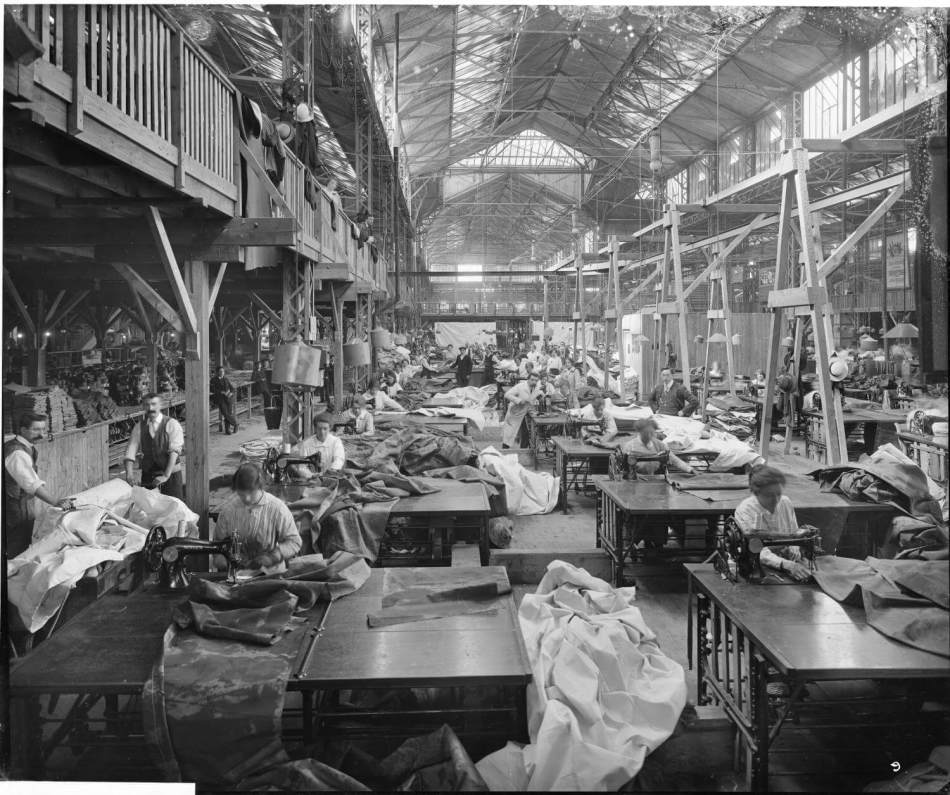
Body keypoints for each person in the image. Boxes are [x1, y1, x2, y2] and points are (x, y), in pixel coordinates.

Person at [3, 412, 72, 557]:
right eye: (36, 430)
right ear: (22, 430)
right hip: (14, 507)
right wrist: (56, 502)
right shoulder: (17, 453)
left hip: (20, 504)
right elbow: (32, 484)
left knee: (20, 542)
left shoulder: (25, 447)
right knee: (17, 546)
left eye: (43, 429)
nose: (41, 434)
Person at [213, 463, 301, 575]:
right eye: (241, 495)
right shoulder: (228, 511)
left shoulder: (277, 509)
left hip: (270, 575)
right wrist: (219, 558)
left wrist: (274, 556)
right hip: (238, 573)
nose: (247, 499)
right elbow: (218, 544)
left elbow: (294, 542)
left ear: (260, 486)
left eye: (251, 493)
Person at [733, 465, 812, 582]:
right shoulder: (745, 510)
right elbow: (758, 551)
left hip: (784, 562)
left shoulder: (785, 502)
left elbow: (794, 533)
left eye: (778, 494)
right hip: (756, 565)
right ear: (756, 493)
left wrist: (794, 547)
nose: (776, 500)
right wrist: (788, 565)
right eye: (769, 495)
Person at [124, 393, 185, 499]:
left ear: (160, 405)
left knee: (174, 509)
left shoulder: (172, 424)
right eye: (147, 405)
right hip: (149, 476)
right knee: (150, 511)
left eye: (153, 404)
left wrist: (166, 475)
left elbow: (174, 452)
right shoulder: (139, 427)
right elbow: (130, 452)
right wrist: (129, 475)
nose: (150, 408)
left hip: (171, 476)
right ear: (143, 407)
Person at [620, 418, 695, 475]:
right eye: (647, 433)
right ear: (640, 432)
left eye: (652, 433)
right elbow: (624, 468)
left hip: (657, 478)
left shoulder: (660, 445)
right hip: (635, 479)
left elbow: (674, 460)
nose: (650, 435)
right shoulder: (630, 446)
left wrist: (690, 469)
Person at [502, 371, 543, 449]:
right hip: (515, 412)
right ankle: (504, 452)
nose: (534, 382)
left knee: (526, 434)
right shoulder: (520, 386)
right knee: (509, 435)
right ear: (528, 379)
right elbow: (507, 395)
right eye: (532, 379)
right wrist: (519, 401)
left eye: (536, 380)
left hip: (525, 413)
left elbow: (534, 398)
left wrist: (539, 398)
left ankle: (523, 452)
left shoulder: (536, 388)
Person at [211, 366, 239, 434]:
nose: (222, 373)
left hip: (228, 398)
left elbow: (232, 388)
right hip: (220, 399)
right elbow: (212, 389)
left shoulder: (226, 379)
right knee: (225, 413)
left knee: (229, 413)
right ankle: (236, 424)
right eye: (220, 371)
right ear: (217, 372)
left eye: (223, 371)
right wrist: (221, 392)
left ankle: (227, 430)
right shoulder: (213, 380)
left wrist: (230, 393)